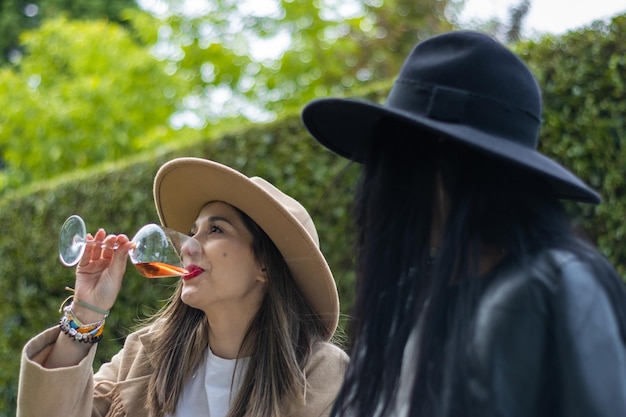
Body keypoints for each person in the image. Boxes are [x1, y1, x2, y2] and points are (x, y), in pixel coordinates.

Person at [301, 30, 626, 416]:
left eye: (389, 161)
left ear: (441, 168)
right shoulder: (406, 298)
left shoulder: (557, 283)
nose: (376, 186)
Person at [18, 157, 348, 417]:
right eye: (193, 231)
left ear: (265, 265)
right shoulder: (148, 355)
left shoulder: (321, 375)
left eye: (216, 230)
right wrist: (86, 309)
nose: (188, 246)